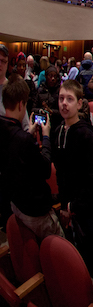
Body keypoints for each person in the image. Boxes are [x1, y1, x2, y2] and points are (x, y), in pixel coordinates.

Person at [52, 80, 93, 270]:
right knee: (84, 254)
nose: (64, 103)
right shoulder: (58, 132)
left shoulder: (85, 135)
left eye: (70, 99)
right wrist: (65, 206)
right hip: (72, 208)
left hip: (90, 209)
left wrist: (73, 206)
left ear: (80, 103)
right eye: (61, 98)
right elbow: (61, 174)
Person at [0, 74, 64, 240]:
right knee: (61, 245)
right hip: (34, 208)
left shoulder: (7, 129)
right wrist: (46, 136)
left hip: (15, 203)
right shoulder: (23, 139)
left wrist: (29, 133)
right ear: (22, 104)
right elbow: (44, 170)